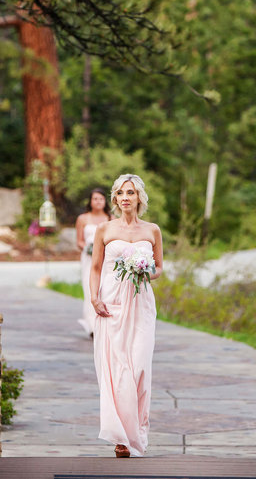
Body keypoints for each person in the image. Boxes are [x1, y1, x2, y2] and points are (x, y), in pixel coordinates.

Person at [89, 173, 162, 458]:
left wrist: (144, 268)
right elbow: (95, 268)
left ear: (139, 197)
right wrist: (94, 298)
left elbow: (159, 269)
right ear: (115, 199)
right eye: (121, 193)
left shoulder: (152, 230)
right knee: (117, 370)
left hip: (141, 303)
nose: (126, 198)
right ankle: (121, 437)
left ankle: (137, 432)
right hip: (112, 304)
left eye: (130, 192)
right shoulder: (104, 230)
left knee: (140, 367)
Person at [75, 188, 112, 337]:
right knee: (90, 288)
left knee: (106, 287)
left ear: (105, 201)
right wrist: (90, 249)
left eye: (101, 199)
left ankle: (105, 322)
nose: (98, 201)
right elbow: (79, 241)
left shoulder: (111, 218)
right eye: (95, 198)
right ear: (90, 201)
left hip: (106, 258)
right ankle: (92, 325)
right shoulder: (83, 219)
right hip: (88, 259)